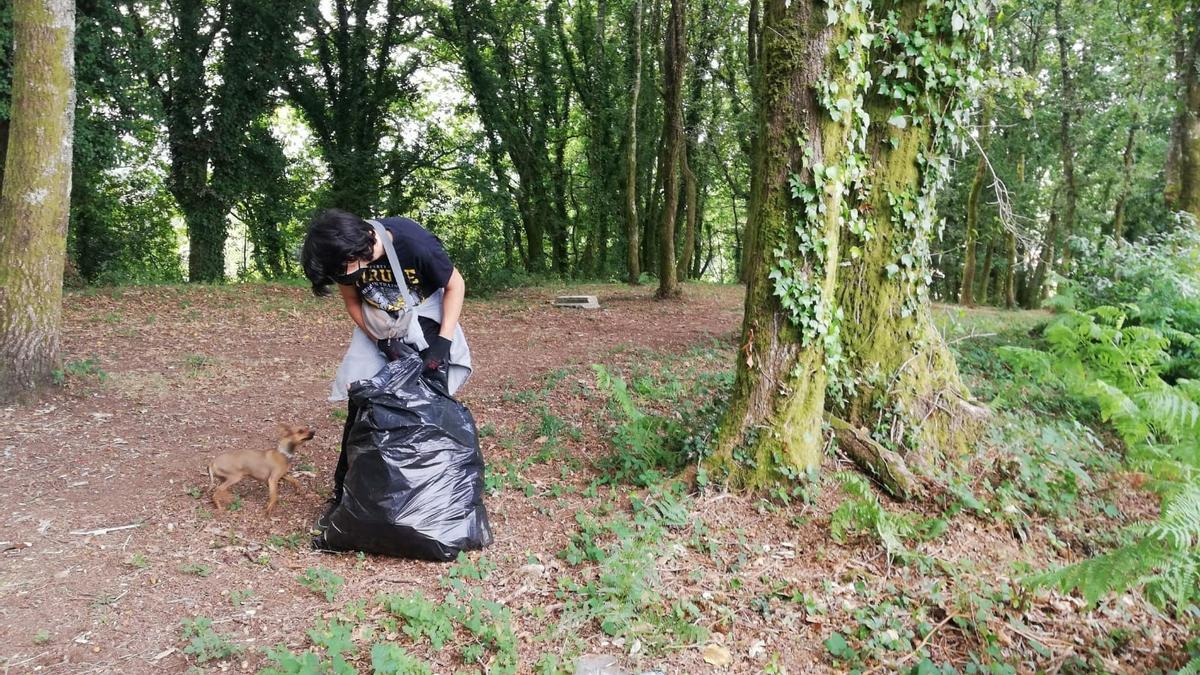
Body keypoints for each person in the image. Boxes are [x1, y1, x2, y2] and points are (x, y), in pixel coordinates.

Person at [300, 208, 473, 507]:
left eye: (342, 271)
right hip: (377, 319)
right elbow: (353, 301)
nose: (344, 277)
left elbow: (455, 285)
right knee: (363, 400)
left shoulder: (414, 243)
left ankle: (435, 490)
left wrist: (442, 345)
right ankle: (347, 493)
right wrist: (379, 341)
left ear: (358, 249)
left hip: (425, 314)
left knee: (428, 398)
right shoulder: (342, 258)